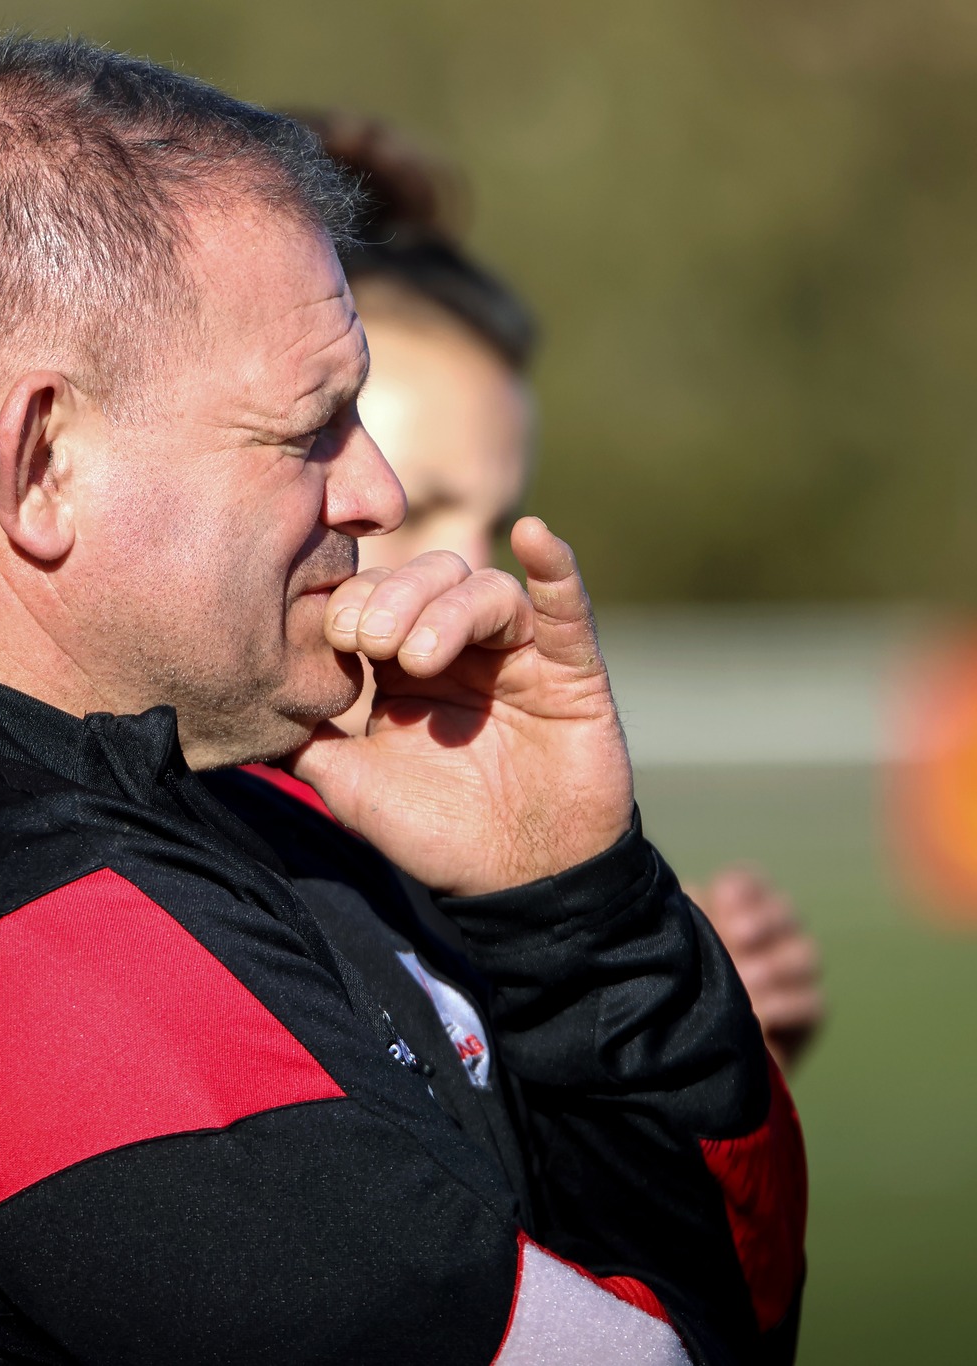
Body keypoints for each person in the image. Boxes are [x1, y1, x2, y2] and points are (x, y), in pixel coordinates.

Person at [0, 37, 803, 1365]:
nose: (376, 492)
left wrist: (570, 908)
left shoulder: (227, 808)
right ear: (44, 465)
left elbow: (719, 1300)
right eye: (310, 427)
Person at [267, 112, 826, 1074]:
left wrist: (659, 1018)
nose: (471, 574)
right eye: (413, 507)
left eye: (492, 521)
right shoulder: (177, 868)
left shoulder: (455, 855)